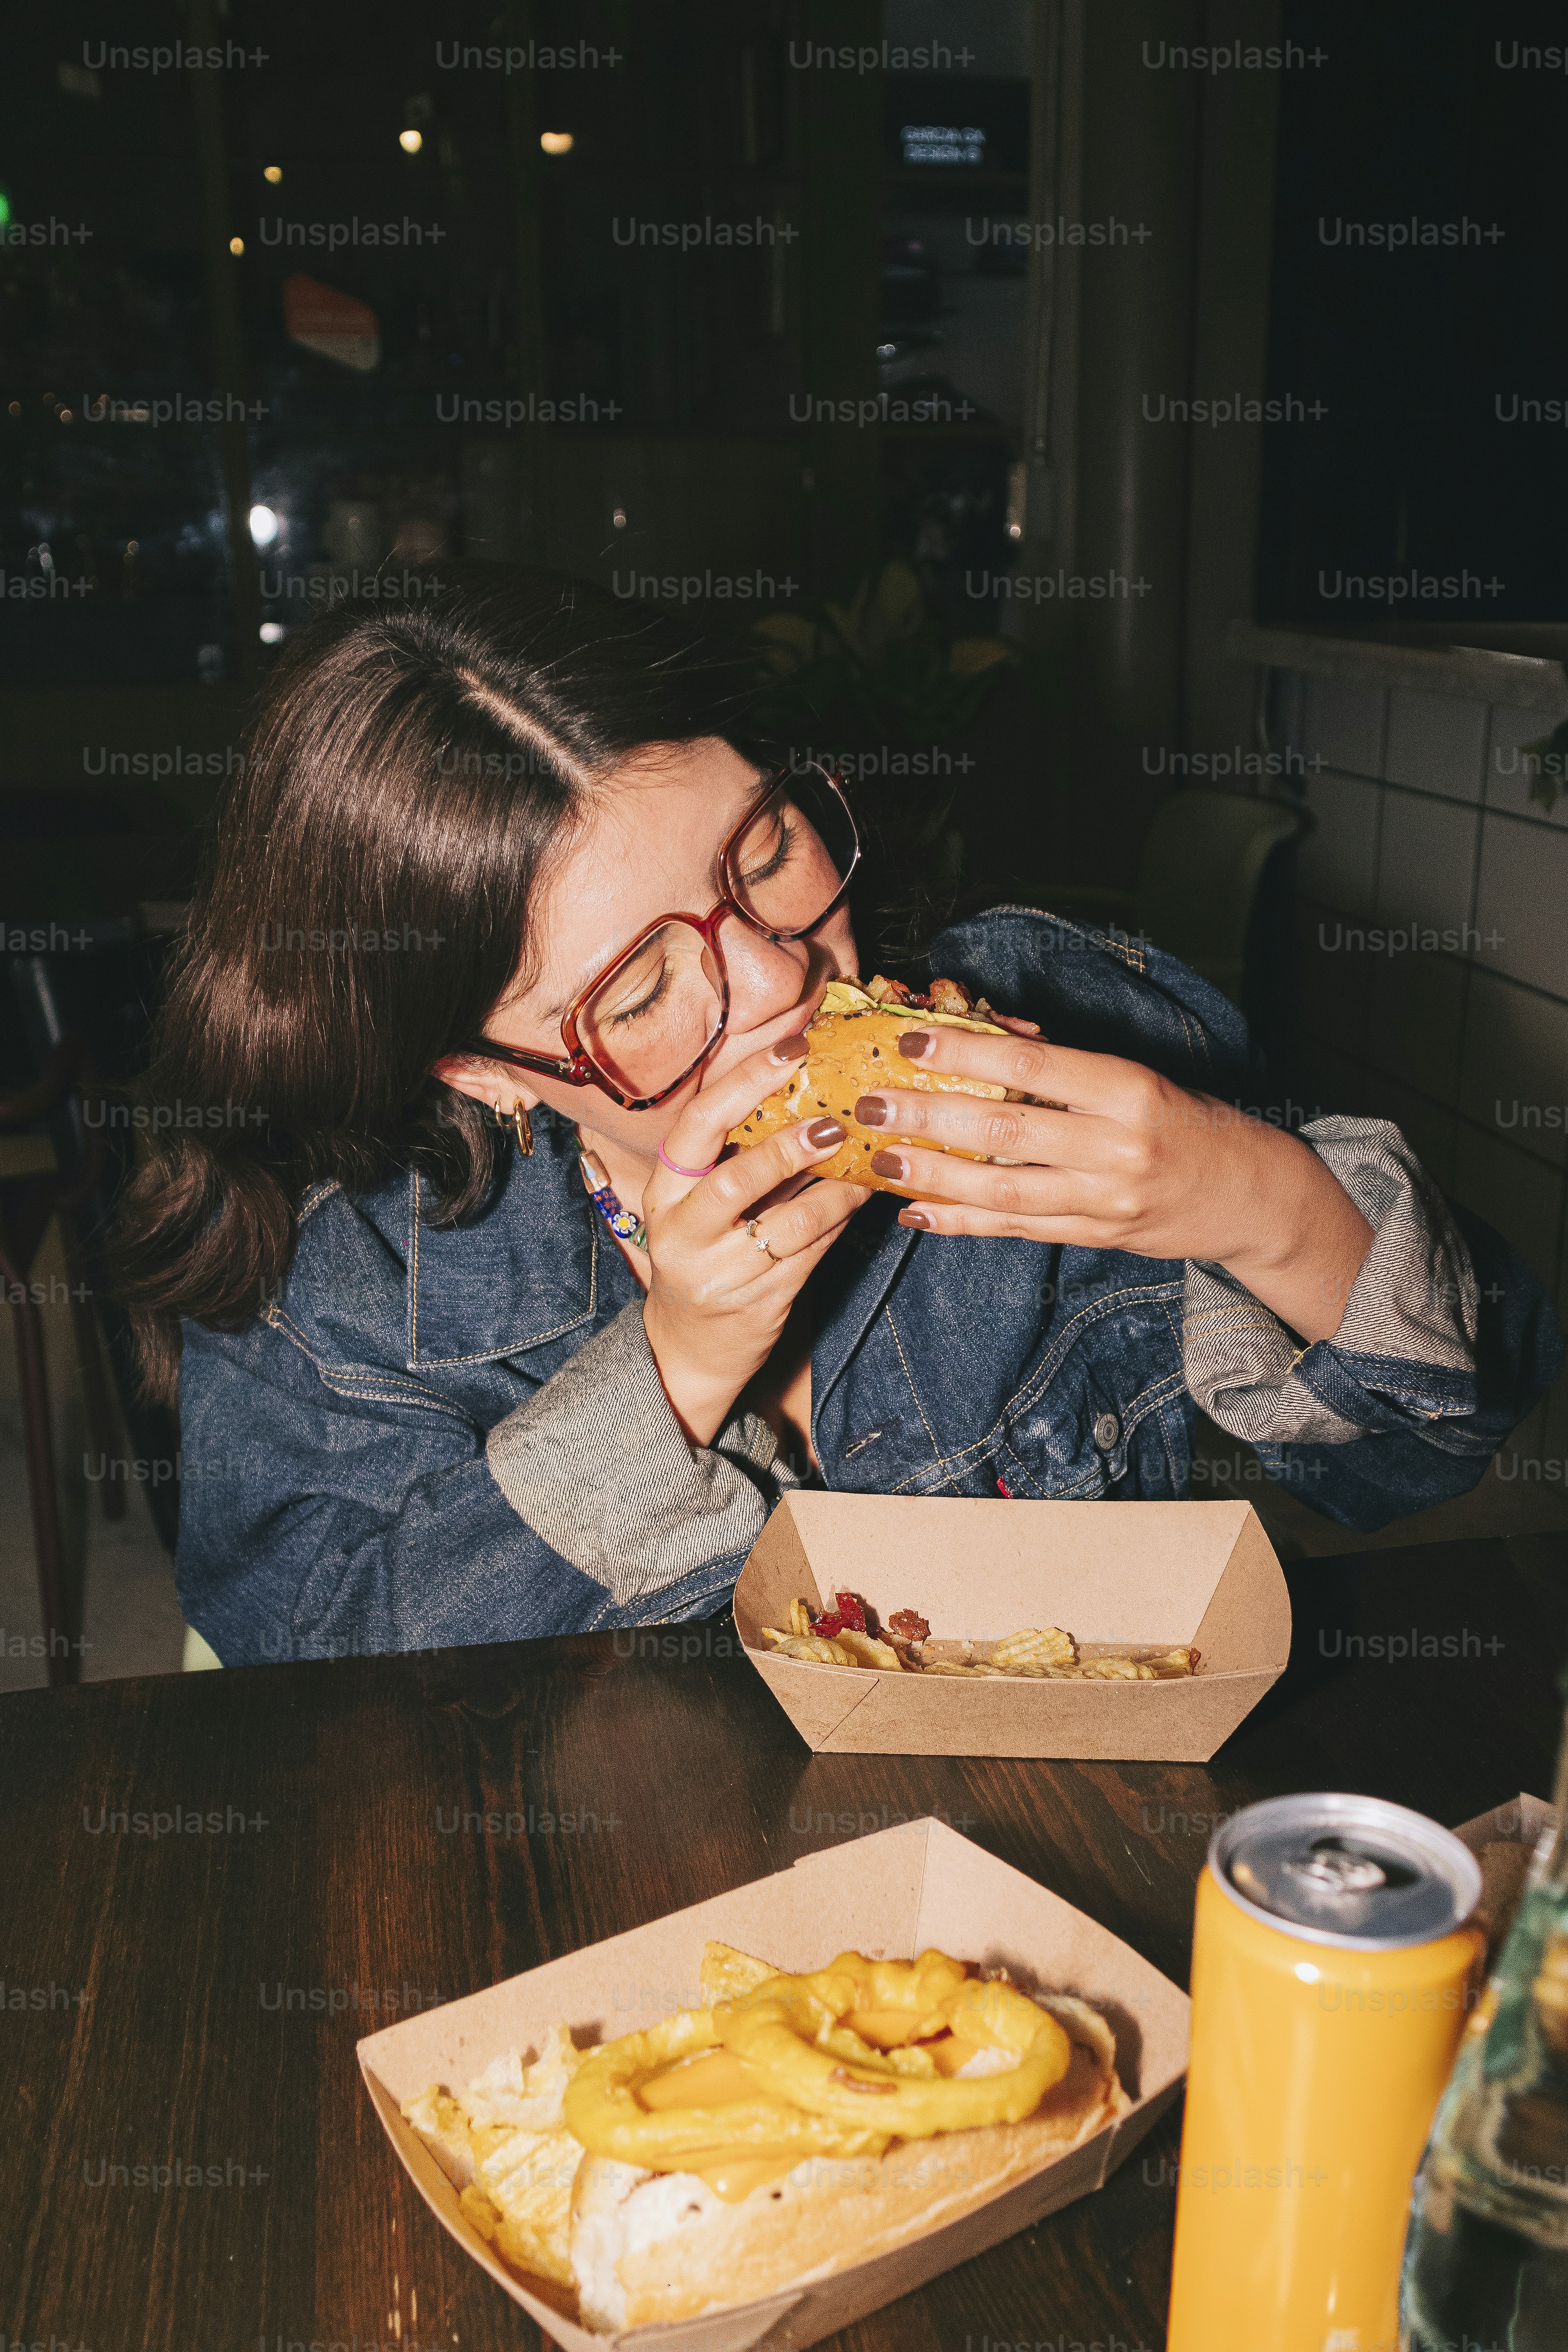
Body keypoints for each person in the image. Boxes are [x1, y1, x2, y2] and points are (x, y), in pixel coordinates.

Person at [115, 570, 1561, 1663]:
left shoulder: (1051, 1018)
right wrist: (671, 1376)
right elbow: (309, 1686)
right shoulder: (350, 1287)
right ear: (482, 1071)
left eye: (766, 850)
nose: (779, 976)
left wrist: (1247, 1193)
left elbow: (1433, 1448)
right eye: (637, 993)